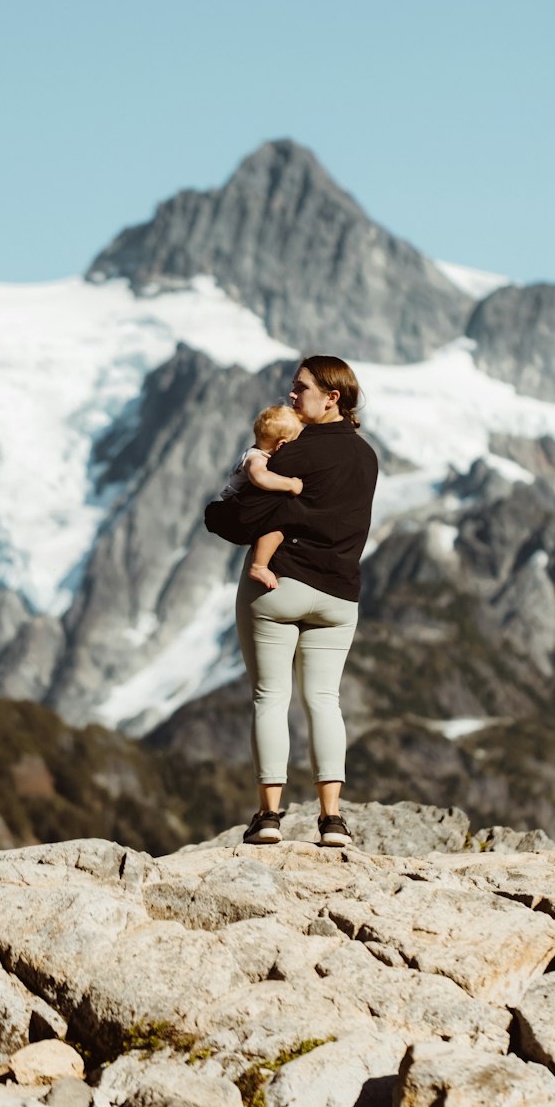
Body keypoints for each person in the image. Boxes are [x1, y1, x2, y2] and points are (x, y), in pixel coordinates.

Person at [204, 355, 378, 848]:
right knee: (324, 700)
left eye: (300, 388)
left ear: (332, 398)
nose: (290, 396)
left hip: (279, 586)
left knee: (270, 697)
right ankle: (333, 820)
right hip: (341, 594)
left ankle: (269, 817)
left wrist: (219, 505)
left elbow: (234, 522)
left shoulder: (294, 452)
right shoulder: (367, 456)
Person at [218, 404, 304, 589]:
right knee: (276, 527)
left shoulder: (256, 452)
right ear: (282, 444)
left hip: (238, 503)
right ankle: (259, 566)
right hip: (236, 506)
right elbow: (259, 477)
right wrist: (291, 484)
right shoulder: (256, 458)